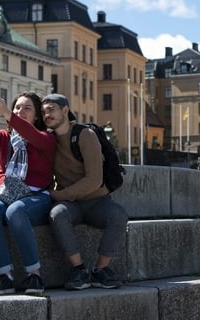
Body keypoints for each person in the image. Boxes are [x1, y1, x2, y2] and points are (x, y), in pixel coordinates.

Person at [0, 87, 55, 295]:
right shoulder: (3, 137)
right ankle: (4, 277)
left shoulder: (45, 138)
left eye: (27, 108)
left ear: (37, 117)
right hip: (6, 194)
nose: (20, 111)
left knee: (15, 211)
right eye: (17, 107)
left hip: (36, 197)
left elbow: (32, 136)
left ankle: (35, 275)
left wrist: (7, 113)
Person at [42, 94, 128, 291]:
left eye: (52, 109)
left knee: (119, 216)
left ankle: (101, 270)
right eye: (44, 111)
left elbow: (94, 179)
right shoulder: (48, 140)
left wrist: (58, 195)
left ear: (65, 110)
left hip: (96, 201)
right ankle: (79, 270)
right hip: (72, 205)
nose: (47, 114)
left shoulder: (84, 135)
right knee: (57, 215)